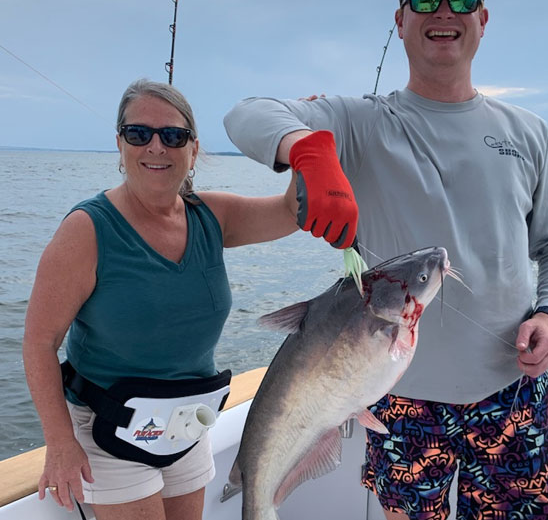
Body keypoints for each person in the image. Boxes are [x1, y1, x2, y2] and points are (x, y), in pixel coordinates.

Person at [223, 0, 548, 519]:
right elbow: (247, 114)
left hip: (513, 394)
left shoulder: (528, 132)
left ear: (482, 19)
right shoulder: (360, 121)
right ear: (401, 19)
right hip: (400, 404)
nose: (445, 10)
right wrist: (309, 151)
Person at [22, 78, 343, 520]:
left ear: (193, 150)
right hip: (108, 428)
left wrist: (302, 136)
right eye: (140, 133)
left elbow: (293, 212)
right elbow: (39, 342)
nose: (157, 147)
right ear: (120, 144)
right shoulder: (86, 230)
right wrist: (59, 443)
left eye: (173, 136)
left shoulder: (211, 215)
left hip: (187, 422)